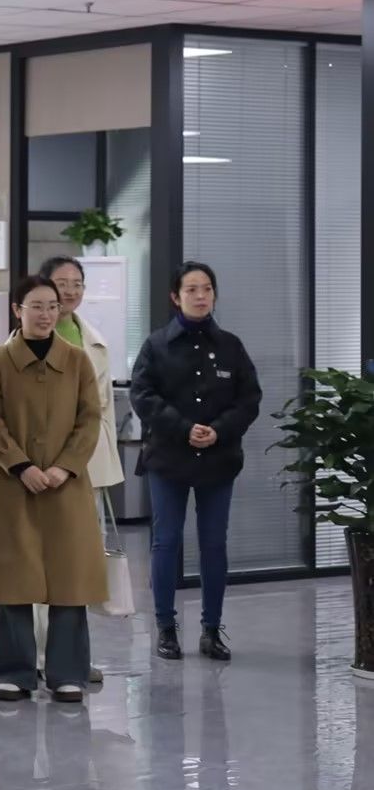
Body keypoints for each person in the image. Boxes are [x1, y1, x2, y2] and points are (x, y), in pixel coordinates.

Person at [0, 275, 106, 704]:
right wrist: (21, 465)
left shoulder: (77, 361)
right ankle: (14, 672)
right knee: (15, 578)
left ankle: (67, 672)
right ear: (17, 310)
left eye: (52, 305)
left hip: (66, 486)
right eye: (36, 305)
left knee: (70, 579)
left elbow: (90, 419)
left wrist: (65, 467)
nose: (47, 314)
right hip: (15, 485)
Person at [131, 261, 261, 663]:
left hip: (218, 461)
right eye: (191, 289)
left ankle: (211, 629)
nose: (200, 296)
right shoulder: (156, 345)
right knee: (166, 541)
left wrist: (218, 430)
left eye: (207, 289)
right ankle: (165, 628)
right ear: (176, 297)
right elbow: (142, 395)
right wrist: (183, 428)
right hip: (168, 459)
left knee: (213, 543)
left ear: (214, 295)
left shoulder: (232, 346)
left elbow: (249, 399)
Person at [35, 256, 125, 686]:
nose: (69, 291)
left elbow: (102, 412)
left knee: (80, 566)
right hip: (43, 468)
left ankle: (73, 657)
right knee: (42, 563)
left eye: (76, 283)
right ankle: (40, 656)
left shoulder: (94, 340)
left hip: (88, 466)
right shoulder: (28, 339)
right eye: (61, 283)